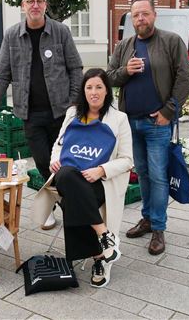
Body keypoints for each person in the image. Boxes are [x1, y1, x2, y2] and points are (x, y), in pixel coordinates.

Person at [0, 0, 83, 230]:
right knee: (43, 163)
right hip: (30, 114)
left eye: (39, 1)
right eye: (30, 1)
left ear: (45, 5)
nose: (35, 5)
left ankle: (64, 207)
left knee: (65, 163)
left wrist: (72, 103)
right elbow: (1, 75)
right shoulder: (11, 35)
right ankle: (62, 205)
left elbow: (76, 69)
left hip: (61, 113)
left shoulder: (60, 32)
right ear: (23, 5)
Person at [32, 68, 133, 288]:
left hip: (100, 181)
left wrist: (101, 170)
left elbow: (127, 160)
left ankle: (99, 256)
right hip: (70, 175)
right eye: (89, 87)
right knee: (66, 174)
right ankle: (104, 238)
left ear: (107, 91)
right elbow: (59, 145)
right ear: (83, 91)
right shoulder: (73, 114)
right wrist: (54, 160)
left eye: (99, 87)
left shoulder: (119, 119)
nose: (94, 92)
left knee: (71, 200)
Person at [107, 0, 189, 255]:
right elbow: (109, 76)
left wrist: (169, 110)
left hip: (157, 123)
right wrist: (126, 71)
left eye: (145, 14)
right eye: (136, 16)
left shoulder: (171, 41)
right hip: (130, 123)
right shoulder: (125, 45)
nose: (140, 19)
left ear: (154, 15)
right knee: (142, 173)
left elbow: (184, 77)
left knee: (157, 175)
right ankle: (147, 218)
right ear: (131, 20)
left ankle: (158, 227)